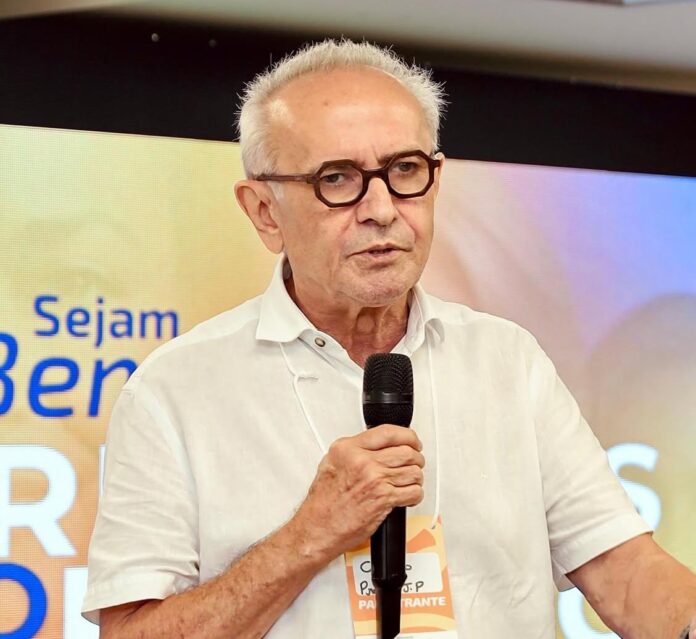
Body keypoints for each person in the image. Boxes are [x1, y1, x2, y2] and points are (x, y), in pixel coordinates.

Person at [83, 39, 696, 638]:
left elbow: (627, 576)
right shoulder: (175, 390)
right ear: (265, 211)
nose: (382, 208)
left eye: (405, 170)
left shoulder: (507, 361)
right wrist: (308, 535)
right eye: (337, 179)